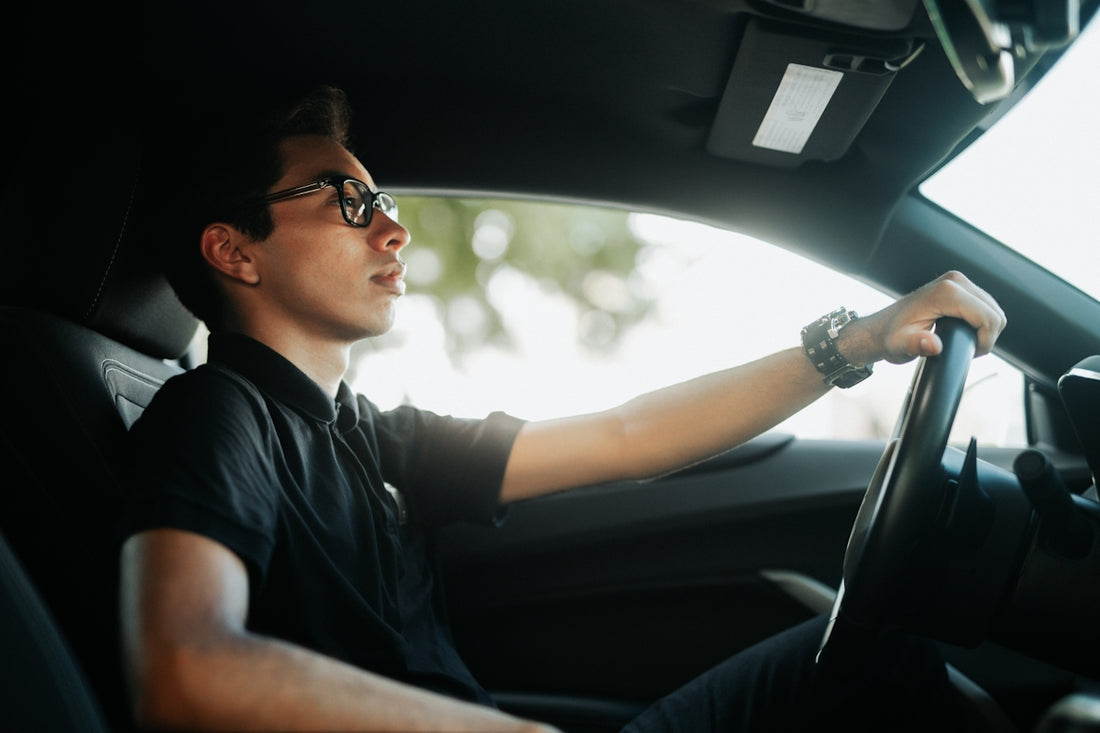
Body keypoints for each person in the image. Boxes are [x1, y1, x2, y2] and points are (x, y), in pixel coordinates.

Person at [119, 84, 1007, 732]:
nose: (392, 228)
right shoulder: (216, 415)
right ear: (233, 251)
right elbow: (184, 668)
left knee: (870, 653)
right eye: (347, 200)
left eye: (383, 200)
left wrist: (854, 342)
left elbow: (631, 435)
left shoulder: (372, 435)